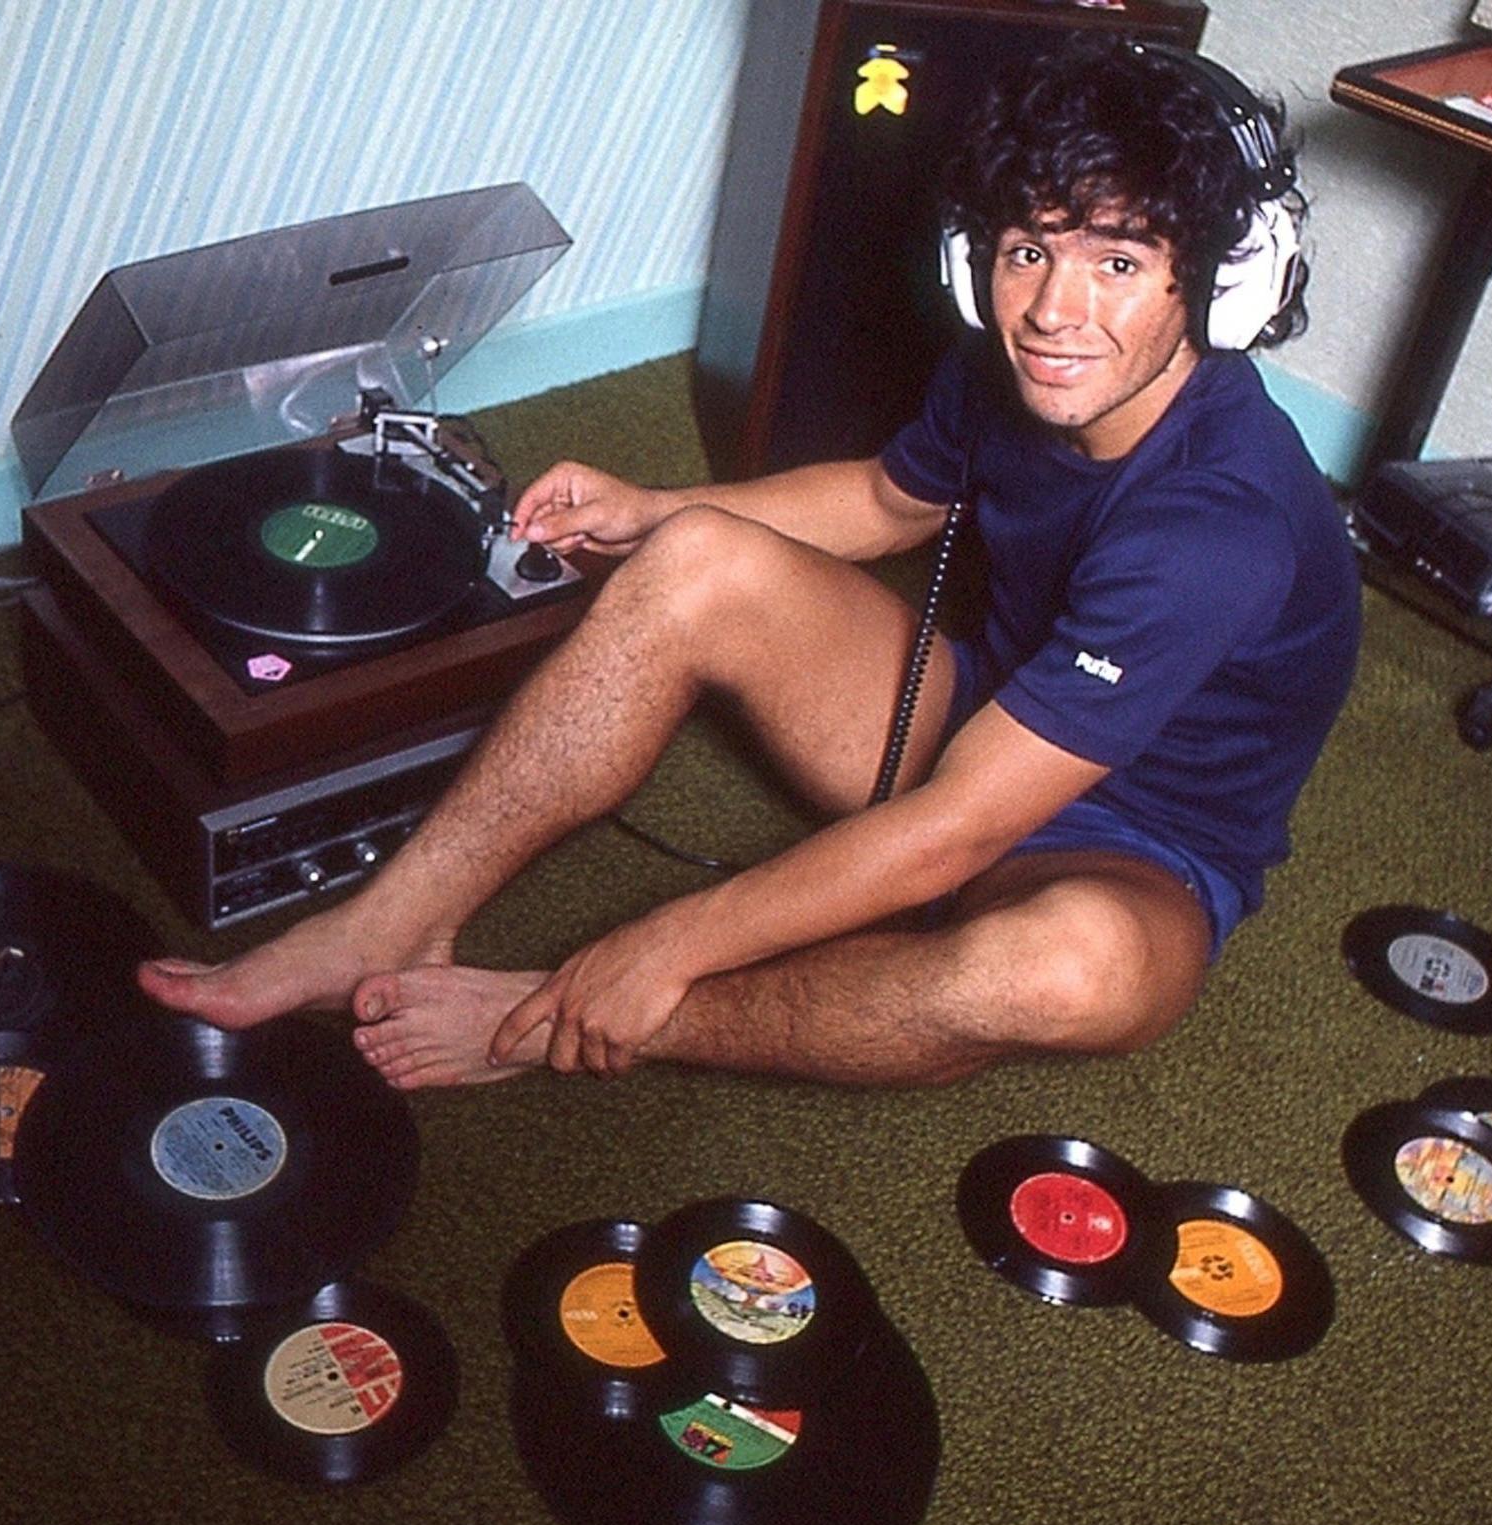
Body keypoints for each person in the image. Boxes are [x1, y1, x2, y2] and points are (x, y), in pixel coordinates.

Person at [137, 35, 1360, 1091]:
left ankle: (547, 1019)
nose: (1052, 309)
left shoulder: (1220, 523)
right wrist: (657, 504)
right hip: (976, 718)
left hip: (1137, 846)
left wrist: (668, 941)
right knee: (697, 559)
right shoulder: (1017, 357)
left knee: (1053, 970)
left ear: (1219, 284)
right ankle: (387, 922)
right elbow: (888, 501)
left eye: (1119, 263)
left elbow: (947, 836)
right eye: (1028, 249)